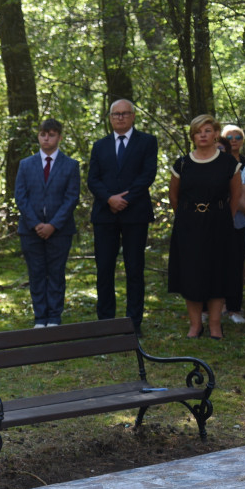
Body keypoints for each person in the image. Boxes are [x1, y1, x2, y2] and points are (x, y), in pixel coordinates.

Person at [167, 115, 243, 339]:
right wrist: (188, 216)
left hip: (219, 223)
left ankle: (215, 324)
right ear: (192, 136)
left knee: (218, 272)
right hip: (189, 225)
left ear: (216, 133)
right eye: (198, 131)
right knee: (192, 273)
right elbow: (174, 196)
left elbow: (236, 196)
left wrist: (220, 217)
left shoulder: (229, 163)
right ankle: (194, 325)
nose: (203, 135)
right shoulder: (182, 163)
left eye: (207, 130)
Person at [87, 99, 158, 337]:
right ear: (109, 117)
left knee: (134, 269)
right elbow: (92, 179)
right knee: (104, 268)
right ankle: (106, 322)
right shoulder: (99, 145)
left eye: (124, 113)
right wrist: (109, 199)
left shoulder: (147, 142)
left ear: (133, 116)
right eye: (115, 114)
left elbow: (147, 175)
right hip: (105, 215)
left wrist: (124, 200)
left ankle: (133, 323)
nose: (120, 117)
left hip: (135, 213)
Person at [14, 119, 81, 328]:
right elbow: (20, 197)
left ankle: (54, 317)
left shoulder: (70, 165)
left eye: (51, 134)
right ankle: (39, 317)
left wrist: (53, 225)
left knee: (56, 273)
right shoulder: (26, 164)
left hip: (60, 230)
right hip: (30, 230)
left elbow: (71, 198)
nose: (46, 138)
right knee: (36, 272)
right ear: (38, 136)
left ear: (59, 137)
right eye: (43, 134)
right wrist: (36, 224)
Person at [221, 125, 245, 324]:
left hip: (240, 222)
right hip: (217, 219)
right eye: (229, 136)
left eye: (238, 136)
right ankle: (217, 304)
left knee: (238, 264)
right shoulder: (217, 160)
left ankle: (234, 306)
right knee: (217, 263)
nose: (234, 139)